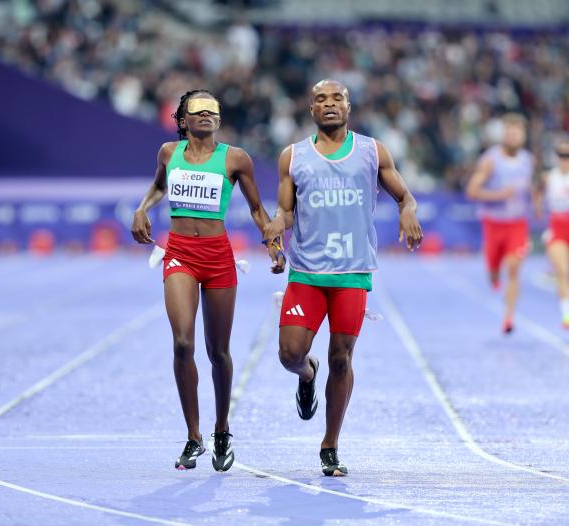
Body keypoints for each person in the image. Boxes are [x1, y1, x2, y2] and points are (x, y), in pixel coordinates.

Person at [263, 79, 423, 476]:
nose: (329, 104)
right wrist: (275, 228)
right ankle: (306, 374)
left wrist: (407, 210)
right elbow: (286, 211)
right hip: (307, 272)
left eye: (337, 98)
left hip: (352, 272)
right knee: (289, 355)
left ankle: (330, 445)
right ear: (310, 109)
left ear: (348, 107)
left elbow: (405, 195)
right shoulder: (293, 156)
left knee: (342, 358)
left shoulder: (372, 151)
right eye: (320, 99)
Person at [131, 89, 271, 471]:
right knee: (181, 343)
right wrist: (142, 209)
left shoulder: (235, 159)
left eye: (214, 110)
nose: (207, 114)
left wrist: (272, 243)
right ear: (184, 120)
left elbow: (258, 209)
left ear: (220, 119)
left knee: (218, 352)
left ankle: (221, 430)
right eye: (199, 109)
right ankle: (193, 436)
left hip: (218, 258)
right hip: (179, 254)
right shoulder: (168, 153)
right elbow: (160, 186)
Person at [466, 113, 535, 334]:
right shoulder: (490, 160)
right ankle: (494, 276)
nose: (513, 137)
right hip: (494, 224)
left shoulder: (528, 160)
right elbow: (472, 191)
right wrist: (500, 195)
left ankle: (509, 317)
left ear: (523, 136)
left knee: (514, 268)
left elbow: (529, 191)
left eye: (517, 134)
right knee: (494, 270)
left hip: (518, 224)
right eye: (510, 133)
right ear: (504, 135)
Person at [539, 136, 569, 327]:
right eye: (561, 155)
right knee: (562, 271)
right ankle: (567, 315)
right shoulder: (549, 177)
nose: (564, 158)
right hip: (558, 227)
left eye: (567, 155)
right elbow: (540, 203)